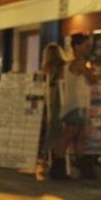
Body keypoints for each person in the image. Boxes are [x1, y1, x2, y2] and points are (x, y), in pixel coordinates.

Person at [51, 32, 100, 180]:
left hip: (79, 104)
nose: (89, 48)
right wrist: (94, 72)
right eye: (86, 45)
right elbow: (92, 79)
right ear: (77, 46)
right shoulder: (78, 63)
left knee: (79, 136)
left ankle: (82, 168)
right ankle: (58, 168)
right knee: (69, 135)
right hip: (75, 105)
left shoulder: (74, 64)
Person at [37, 42, 67, 181]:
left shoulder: (47, 68)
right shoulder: (64, 67)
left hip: (51, 101)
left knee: (51, 129)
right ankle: (59, 161)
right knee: (60, 131)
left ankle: (48, 158)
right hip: (64, 103)